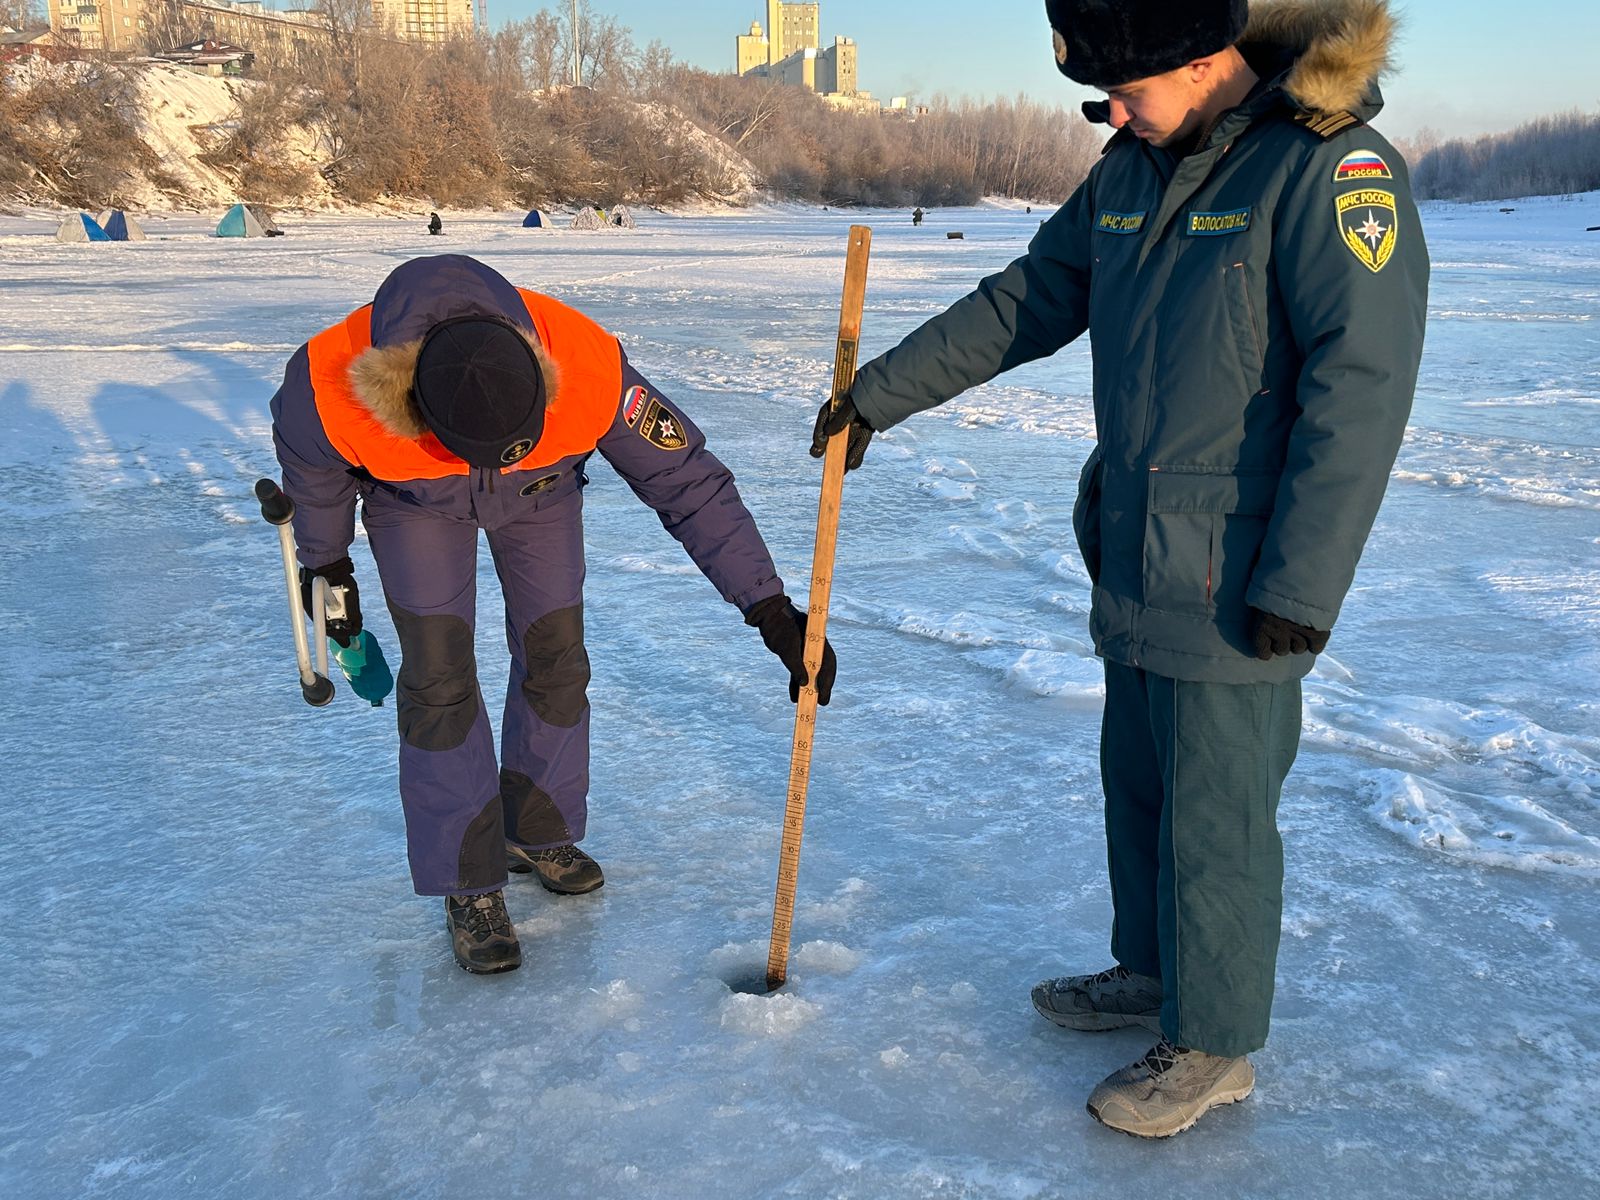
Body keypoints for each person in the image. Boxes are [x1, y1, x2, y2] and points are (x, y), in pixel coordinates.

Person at [810, 0, 1426, 1137]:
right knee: (1139, 788)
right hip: (1136, 549)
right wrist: (877, 397)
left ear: (1199, 63)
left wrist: (1301, 584)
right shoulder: (1131, 171)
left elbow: (1363, 390)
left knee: (1216, 816)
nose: (1107, 114)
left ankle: (1215, 1042)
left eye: (1121, 92)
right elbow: (1030, 297)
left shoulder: (1327, 175)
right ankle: (1154, 976)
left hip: (1238, 577)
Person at [272, 254, 836, 976]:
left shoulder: (588, 363)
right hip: (415, 504)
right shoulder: (328, 382)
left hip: (543, 494)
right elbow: (314, 484)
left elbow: (688, 482)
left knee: (557, 656)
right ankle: (467, 881)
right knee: (438, 679)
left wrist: (767, 606)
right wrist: (327, 569)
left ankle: (537, 828)